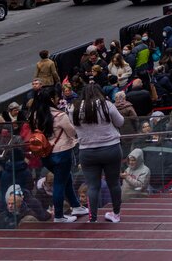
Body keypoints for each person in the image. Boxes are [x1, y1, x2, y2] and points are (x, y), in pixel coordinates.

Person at [29, 86, 87, 223]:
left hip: (45, 154)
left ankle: (76, 206)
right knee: (60, 183)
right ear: (51, 99)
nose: (58, 99)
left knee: (66, 179)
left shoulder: (35, 115)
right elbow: (72, 132)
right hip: (62, 153)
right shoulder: (60, 116)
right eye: (56, 97)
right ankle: (59, 216)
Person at [74, 83, 125, 222]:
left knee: (92, 186)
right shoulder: (106, 105)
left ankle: (93, 218)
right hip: (111, 148)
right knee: (114, 183)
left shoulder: (74, 108)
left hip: (87, 151)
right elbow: (120, 122)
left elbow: (73, 130)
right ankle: (116, 214)